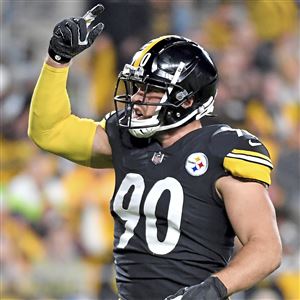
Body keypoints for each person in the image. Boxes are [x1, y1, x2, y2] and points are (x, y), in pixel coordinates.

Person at [28, 4, 282, 300]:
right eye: (137, 87)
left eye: (150, 90)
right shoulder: (126, 139)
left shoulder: (222, 151)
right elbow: (49, 132)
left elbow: (266, 247)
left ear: (186, 101)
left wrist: (209, 290)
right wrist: (57, 61)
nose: (136, 98)